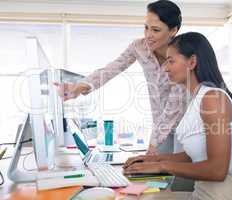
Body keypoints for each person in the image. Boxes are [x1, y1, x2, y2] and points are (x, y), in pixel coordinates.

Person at [54, 0, 191, 155]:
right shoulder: (139, 47)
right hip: (160, 125)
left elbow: (174, 106)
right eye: (146, 27)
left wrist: (151, 149)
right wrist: (80, 87)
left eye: (156, 30)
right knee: (158, 174)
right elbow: (112, 68)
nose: (148, 35)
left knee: (179, 173)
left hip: (186, 126)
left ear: (173, 30)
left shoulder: (183, 55)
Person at [123, 32, 232, 200]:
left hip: (219, 196)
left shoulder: (212, 99)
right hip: (203, 194)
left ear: (192, 62)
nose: (165, 67)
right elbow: (191, 156)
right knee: (141, 196)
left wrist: (162, 166)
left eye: (171, 61)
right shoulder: (197, 98)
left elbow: (217, 170)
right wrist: (152, 160)